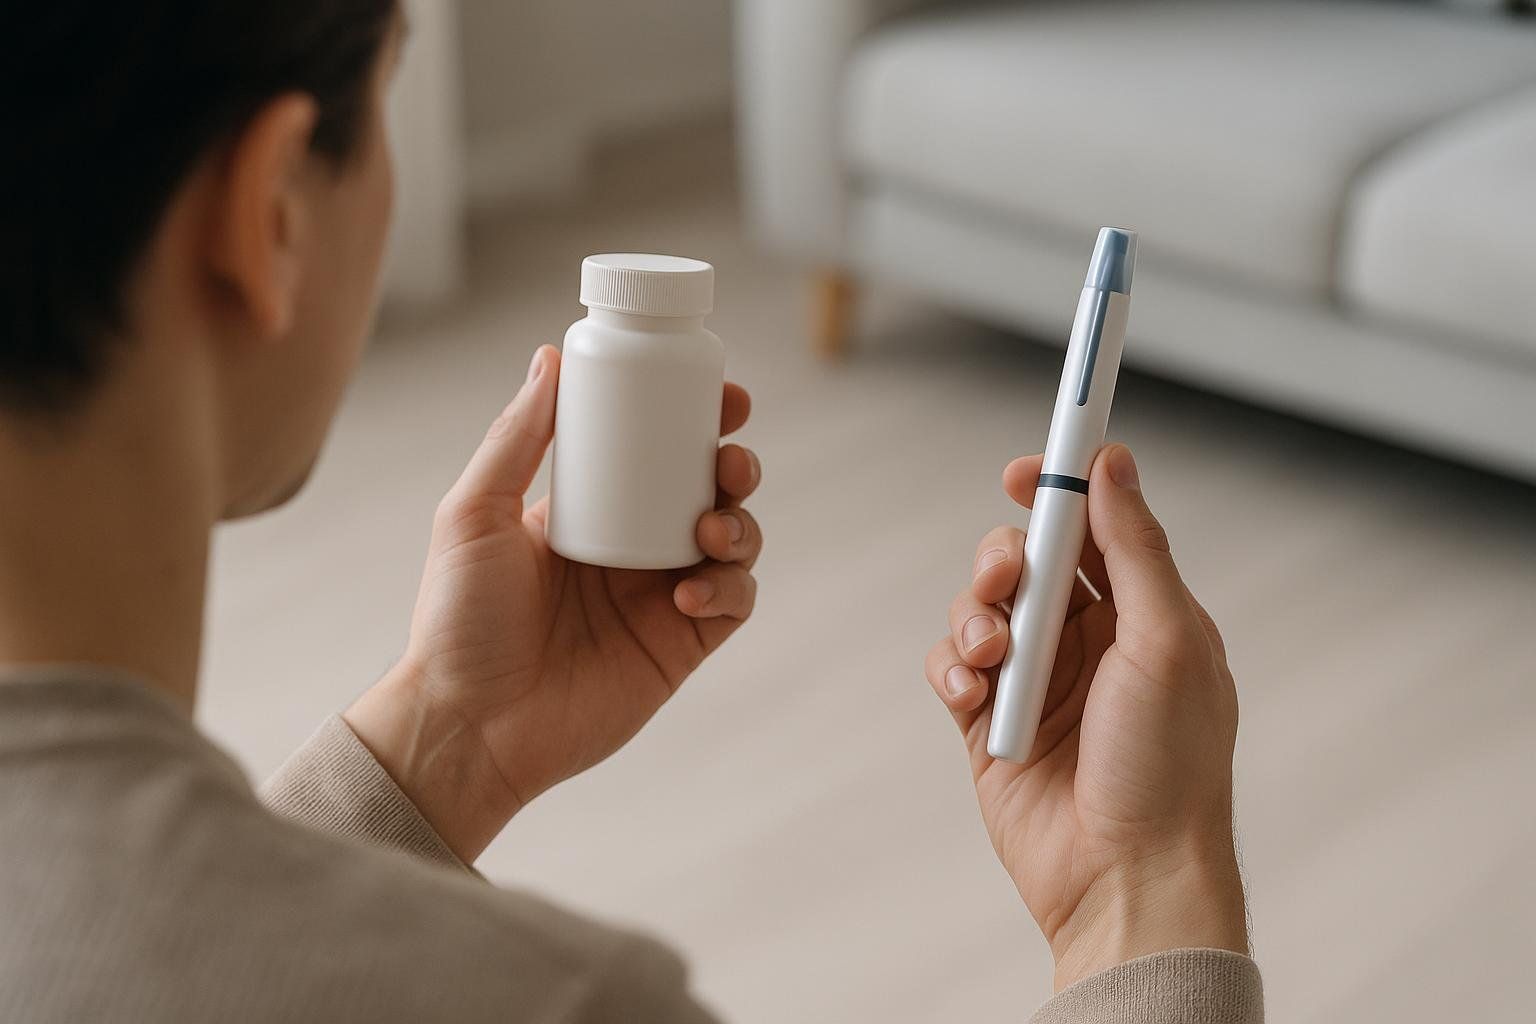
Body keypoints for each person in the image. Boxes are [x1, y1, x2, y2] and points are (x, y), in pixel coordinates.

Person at [0, 1, 1262, 1021]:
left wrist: (448, 733)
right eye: (386, 98)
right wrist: (1143, 892)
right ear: (270, 212)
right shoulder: (557, 1006)